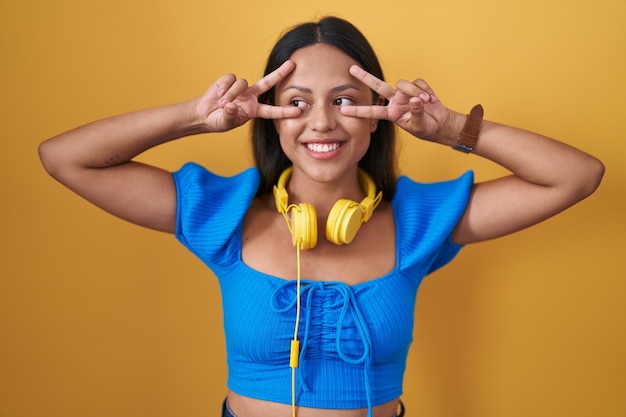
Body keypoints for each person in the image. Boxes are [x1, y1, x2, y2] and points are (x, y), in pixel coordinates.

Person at [38, 16, 604, 417]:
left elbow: (576, 176)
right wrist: (195, 115)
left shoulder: (420, 222)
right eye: (297, 102)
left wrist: (451, 127)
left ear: (378, 116)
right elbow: (64, 158)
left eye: (343, 100)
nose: (322, 123)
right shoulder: (222, 213)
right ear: (271, 119)